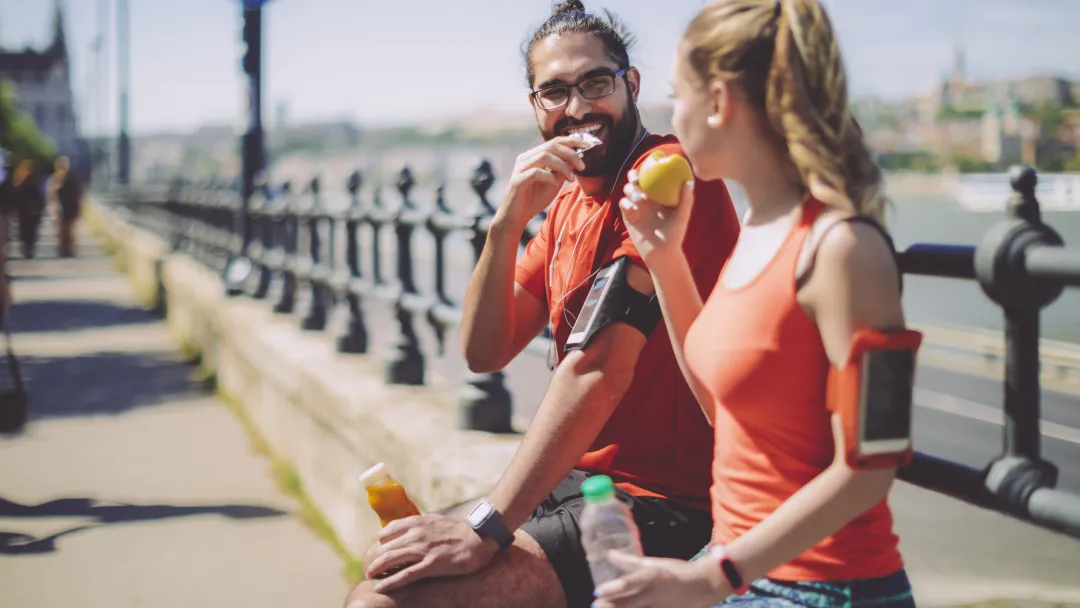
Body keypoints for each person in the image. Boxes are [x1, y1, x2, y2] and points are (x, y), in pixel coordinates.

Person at [344, 2, 741, 608]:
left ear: (632, 85)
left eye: (596, 83)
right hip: (578, 483)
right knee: (388, 569)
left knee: (388, 603)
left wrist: (486, 528)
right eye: (554, 91)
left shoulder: (664, 180)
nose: (577, 108)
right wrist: (505, 224)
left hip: (666, 501)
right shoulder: (563, 207)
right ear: (534, 104)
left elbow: (599, 368)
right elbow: (484, 351)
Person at [591, 0, 917, 607]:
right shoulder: (757, 227)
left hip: (826, 588)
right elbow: (723, 411)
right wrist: (664, 258)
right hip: (739, 568)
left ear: (717, 103)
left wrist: (713, 578)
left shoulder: (845, 249)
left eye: (677, 97)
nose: (671, 117)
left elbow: (872, 466)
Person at [49, 156, 84, 258]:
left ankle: (67, 249)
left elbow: (79, 192)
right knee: (63, 230)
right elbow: (52, 194)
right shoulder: (56, 178)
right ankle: (64, 249)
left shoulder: (70, 177)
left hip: (69, 207)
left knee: (69, 230)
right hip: (62, 207)